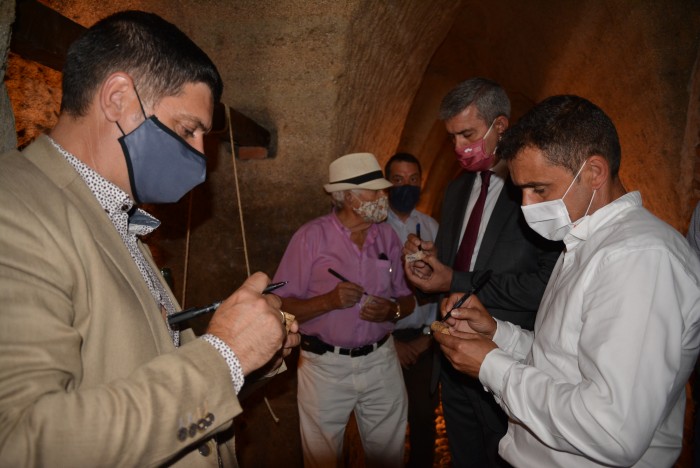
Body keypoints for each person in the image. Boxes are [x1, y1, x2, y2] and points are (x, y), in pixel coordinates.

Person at [0, 11, 299, 467]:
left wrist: (250, 354)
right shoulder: (15, 208)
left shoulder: (118, 219)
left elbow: (140, 371)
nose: (200, 155)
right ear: (119, 98)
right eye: (187, 129)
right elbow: (25, 444)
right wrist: (224, 356)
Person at [435, 95, 700, 467]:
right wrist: (496, 332)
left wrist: (491, 366)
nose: (526, 205)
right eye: (520, 190)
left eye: (539, 189)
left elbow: (611, 429)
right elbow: (560, 361)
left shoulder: (639, 258)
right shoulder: (582, 242)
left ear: (594, 172)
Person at [403, 78, 562, 467]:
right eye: (452, 138)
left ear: (501, 127)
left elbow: (546, 285)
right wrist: (430, 261)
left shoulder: (532, 191)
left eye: (467, 134)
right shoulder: (457, 191)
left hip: (509, 357)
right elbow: (462, 263)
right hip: (453, 361)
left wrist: (453, 280)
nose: (458, 147)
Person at [272, 152, 416, 468]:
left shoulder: (387, 236)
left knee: (389, 457)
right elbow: (280, 305)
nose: (384, 196)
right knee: (321, 459)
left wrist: (391, 311)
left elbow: (408, 299)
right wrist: (329, 301)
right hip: (325, 368)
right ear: (349, 197)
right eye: (375, 191)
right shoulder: (310, 238)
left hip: (381, 362)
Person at [384, 152, 440, 467]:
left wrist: (428, 339)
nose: (407, 186)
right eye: (398, 180)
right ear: (386, 185)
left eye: (413, 180)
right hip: (382, 343)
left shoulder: (433, 228)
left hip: (424, 341)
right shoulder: (373, 230)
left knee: (423, 418)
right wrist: (390, 342)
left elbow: (447, 291)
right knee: (385, 424)